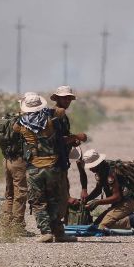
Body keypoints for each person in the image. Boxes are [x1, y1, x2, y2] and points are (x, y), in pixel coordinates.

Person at [13, 93, 77, 243]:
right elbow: (60, 111)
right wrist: (46, 111)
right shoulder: (50, 118)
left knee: (38, 202)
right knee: (54, 200)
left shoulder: (21, 124)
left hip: (34, 168)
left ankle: (45, 232)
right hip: (52, 166)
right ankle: (59, 233)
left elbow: (15, 127)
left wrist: (23, 112)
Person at [49, 85, 89, 223]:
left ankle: (61, 224)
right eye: (64, 98)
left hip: (61, 159)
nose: (67, 101)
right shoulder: (56, 114)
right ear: (58, 99)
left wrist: (73, 141)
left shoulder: (62, 114)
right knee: (59, 192)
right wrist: (77, 136)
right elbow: (57, 139)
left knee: (63, 188)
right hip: (55, 160)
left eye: (69, 98)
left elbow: (64, 138)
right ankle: (55, 227)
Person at [0, 92, 35, 236]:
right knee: (21, 193)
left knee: (9, 193)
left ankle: (7, 224)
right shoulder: (25, 121)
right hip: (18, 161)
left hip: (7, 160)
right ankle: (18, 226)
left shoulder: (11, 118)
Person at [82, 149, 134, 230]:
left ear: (97, 164)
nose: (90, 169)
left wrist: (97, 202)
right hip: (117, 205)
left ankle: (133, 219)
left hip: (125, 204)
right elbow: (98, 189)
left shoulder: (110, 174)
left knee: (101, 227)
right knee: (96, 224)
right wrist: (87, 199)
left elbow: (117, 197)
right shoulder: (102, 170)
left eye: (91, 166)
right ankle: (126, 219)